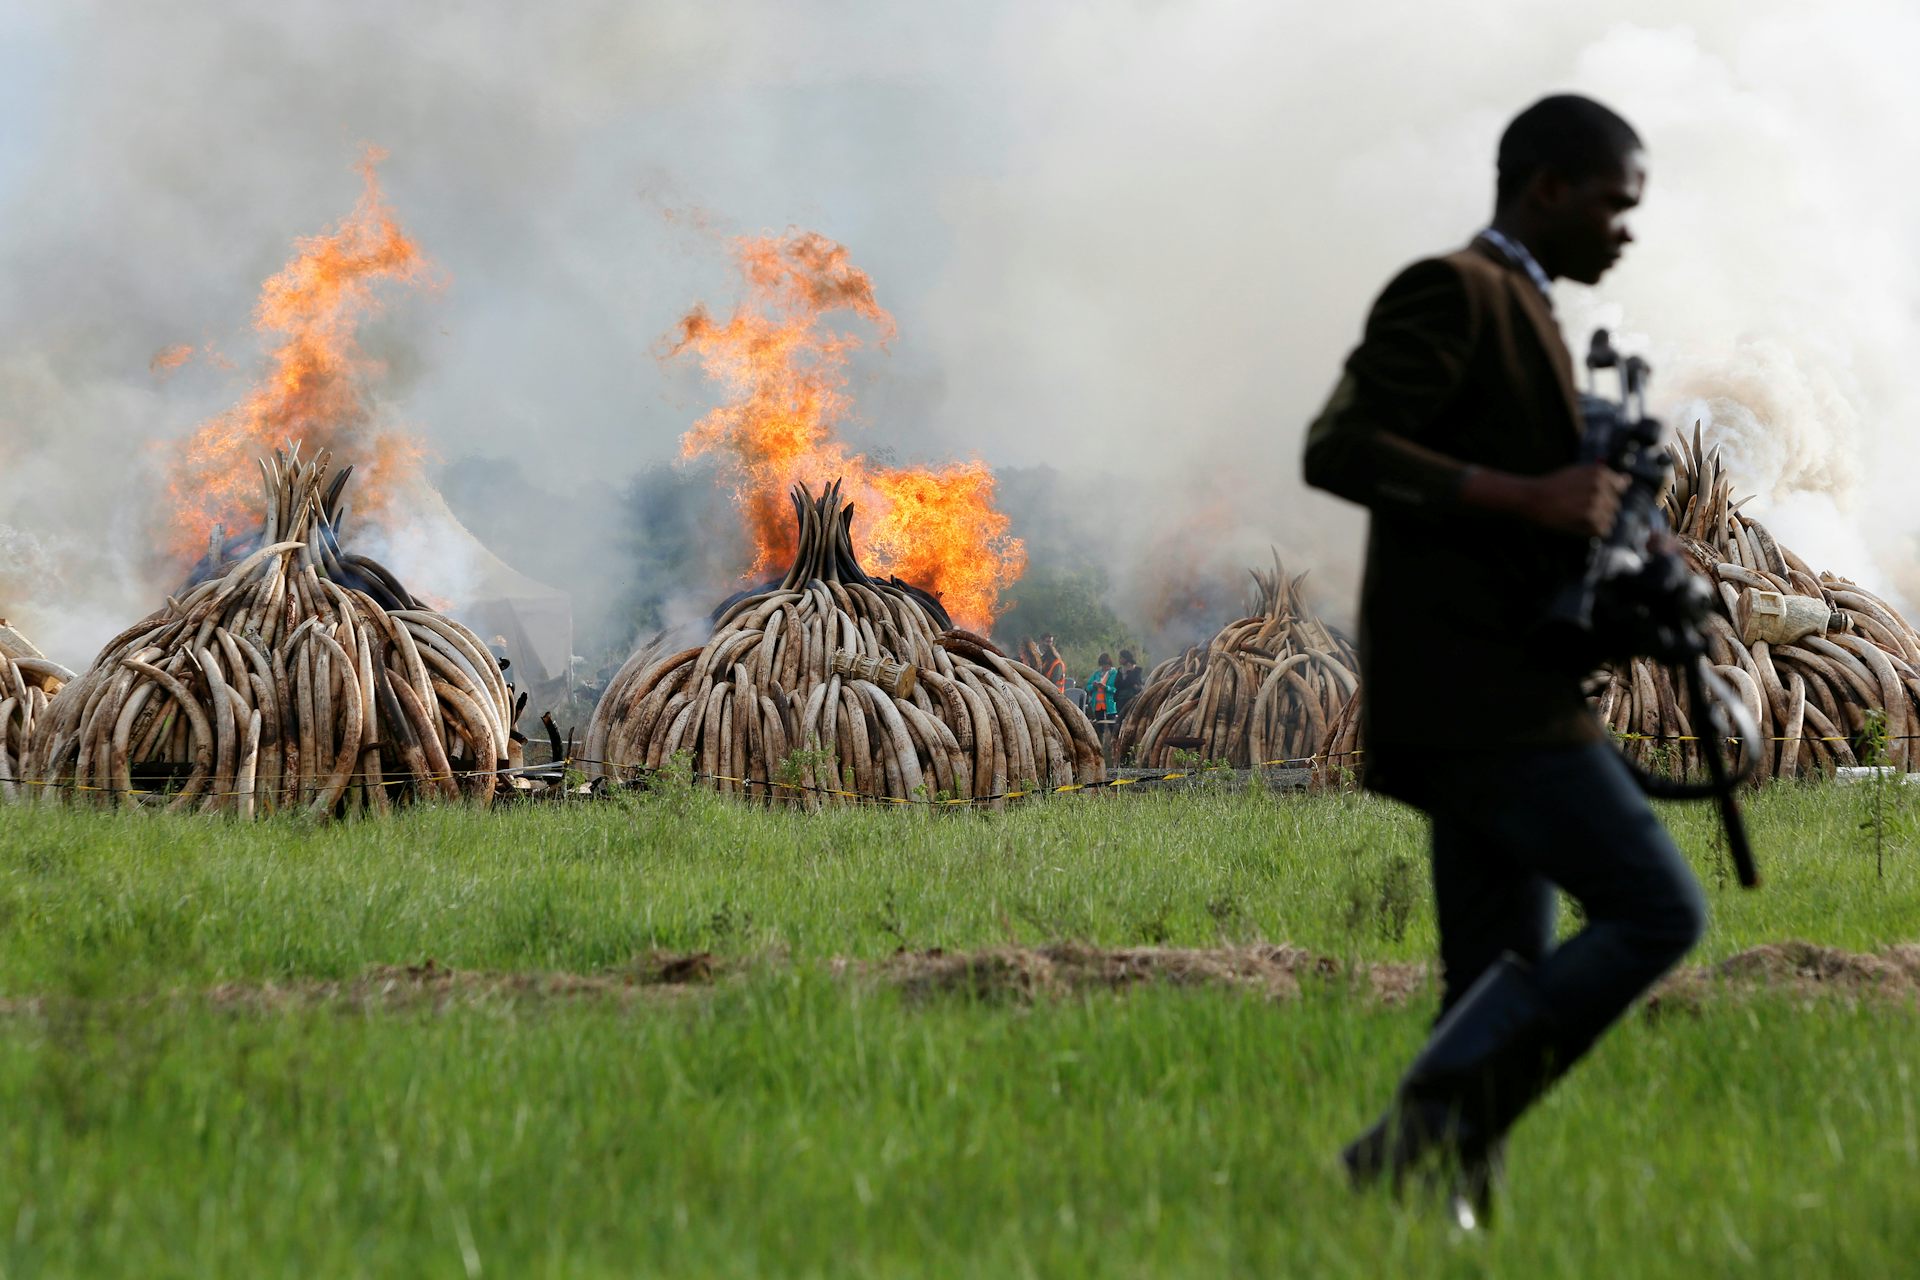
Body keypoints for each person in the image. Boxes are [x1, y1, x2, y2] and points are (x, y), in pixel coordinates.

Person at [1300, 94, 1705, 1228]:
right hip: (1485, 699)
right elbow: (1339, 446)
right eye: (1618, 205)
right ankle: (1424, 1118)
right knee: (1658, 909)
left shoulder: (1529, 307)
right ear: (1548, 190)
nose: (1628, 230)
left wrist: (1615, 525)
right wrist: (1531, 494)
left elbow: (1536, 501)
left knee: (1489, 969)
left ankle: (1442, 1210)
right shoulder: (1455, 290)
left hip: (1496, 685)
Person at [1084, 652, 1119, 749]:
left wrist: (1106, 688)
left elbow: (1116, 689)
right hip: (1098, 705)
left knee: (1113, 727)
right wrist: (1093, 686)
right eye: (1103, 665)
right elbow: (1088, 687)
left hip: (1110, 706)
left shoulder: (1115, 674)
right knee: (1099, 728)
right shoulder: (1096, 674)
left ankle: (1114, 747)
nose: (1104, 667)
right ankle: (1100, 747)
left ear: (1110, 664)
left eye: (1106, 665)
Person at [1114, 649, 1144, 720]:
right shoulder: (1120, 670)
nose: (1119, 659)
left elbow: (1135, 683)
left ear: (1126, 658)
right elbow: (1117, 684)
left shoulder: (1136, 670)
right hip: (1121, 699)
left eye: (1121, 657)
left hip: (1132, 698)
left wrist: (1129, 674)